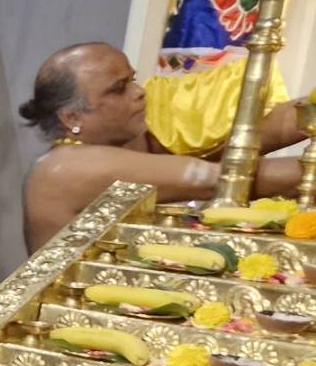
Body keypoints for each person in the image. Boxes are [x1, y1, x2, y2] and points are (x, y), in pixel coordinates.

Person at [20, 42, 305, 251]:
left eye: (132, 80)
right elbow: (221, 179)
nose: (139, 92)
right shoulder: (64, 168)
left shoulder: (128, 139)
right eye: (118, 89)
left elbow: (245, 139)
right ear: (72, 118)